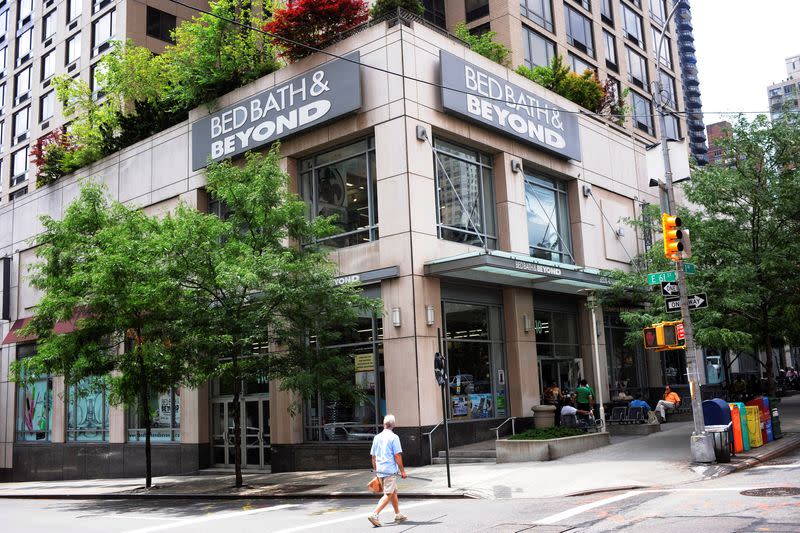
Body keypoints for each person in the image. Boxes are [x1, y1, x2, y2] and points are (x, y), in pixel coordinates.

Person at [368, 414, 407, 527]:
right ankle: (375, 514)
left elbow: (373, 457)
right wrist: (403, 471)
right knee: (388, 493)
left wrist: (376, 472)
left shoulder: (377, 437)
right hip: (390, 470)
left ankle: (397, 514)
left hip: (380, 470)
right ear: (393, 425)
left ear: (384, 424)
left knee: (393, 491)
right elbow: (397, 456)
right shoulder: (394, 437)